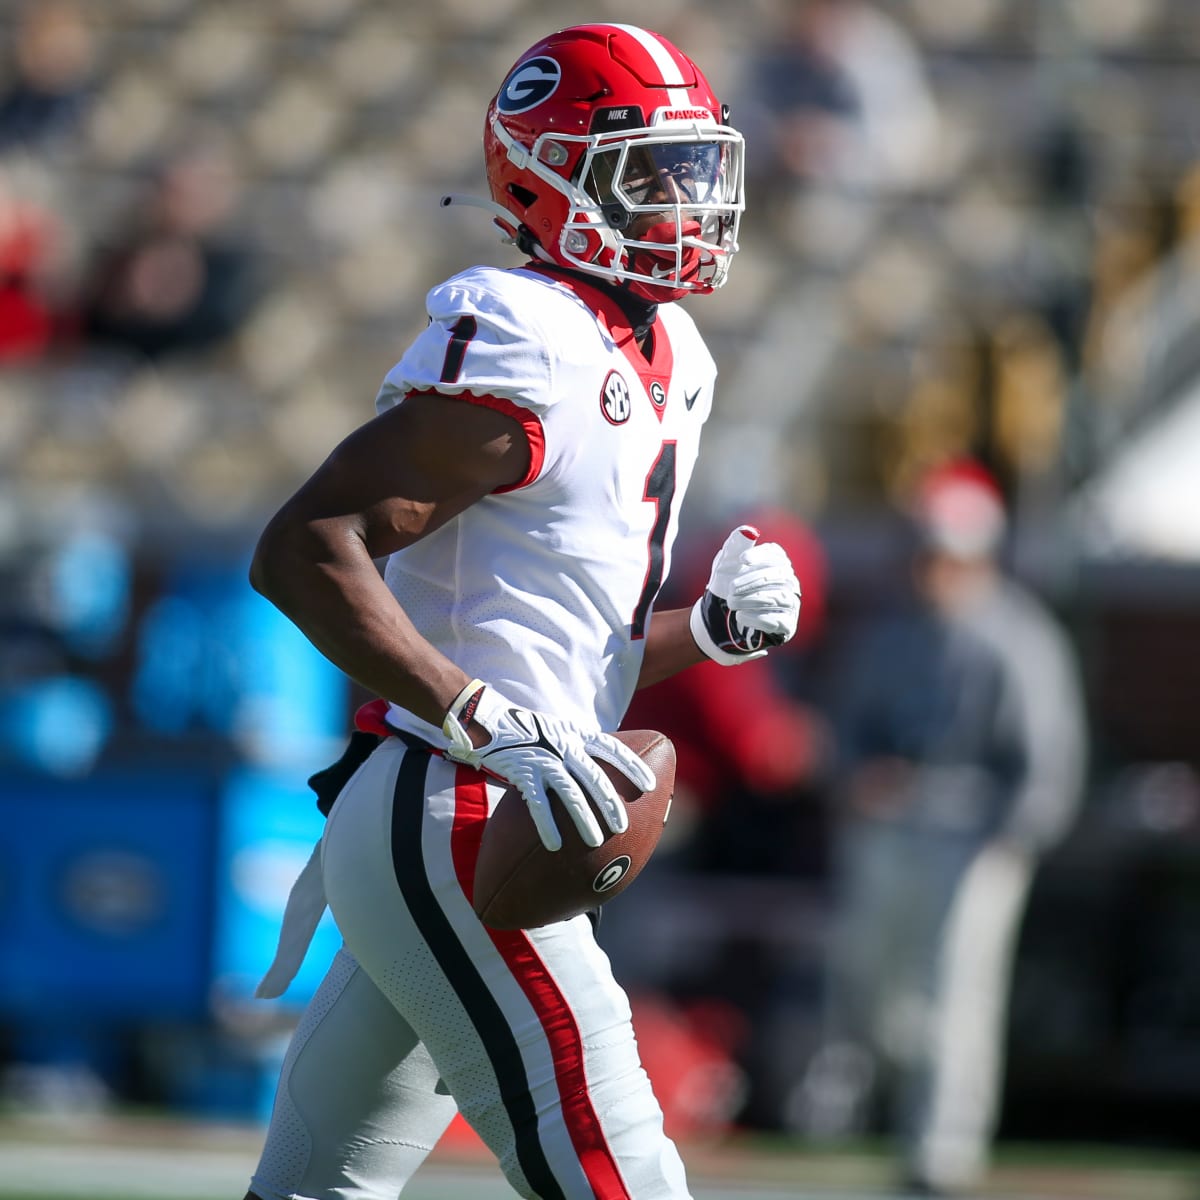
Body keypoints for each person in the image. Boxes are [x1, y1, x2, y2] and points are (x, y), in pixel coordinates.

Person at [239, 24, 802, 1200]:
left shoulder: (674, 351)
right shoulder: (524, 329)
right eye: (645, 173)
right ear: (538, 178)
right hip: (459, 806)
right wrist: (480, 717)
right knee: (620, 1172)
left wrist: (701, 633)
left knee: (313, 1189)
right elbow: (304, 546)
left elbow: (564, 658)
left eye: (693, 170)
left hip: (497, 796)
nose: (682, 200)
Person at [796, 460, 1088, 1196]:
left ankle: (942, 1152)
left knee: (957, 997)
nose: (929, 567)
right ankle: (882, 1126)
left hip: (972, 844)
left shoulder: (1020, 639)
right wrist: (856, 781)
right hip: (888, 835)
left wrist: (1005, 841)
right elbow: (843, 738)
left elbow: (1046, 768)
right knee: (879, 995)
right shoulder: (889, 636)